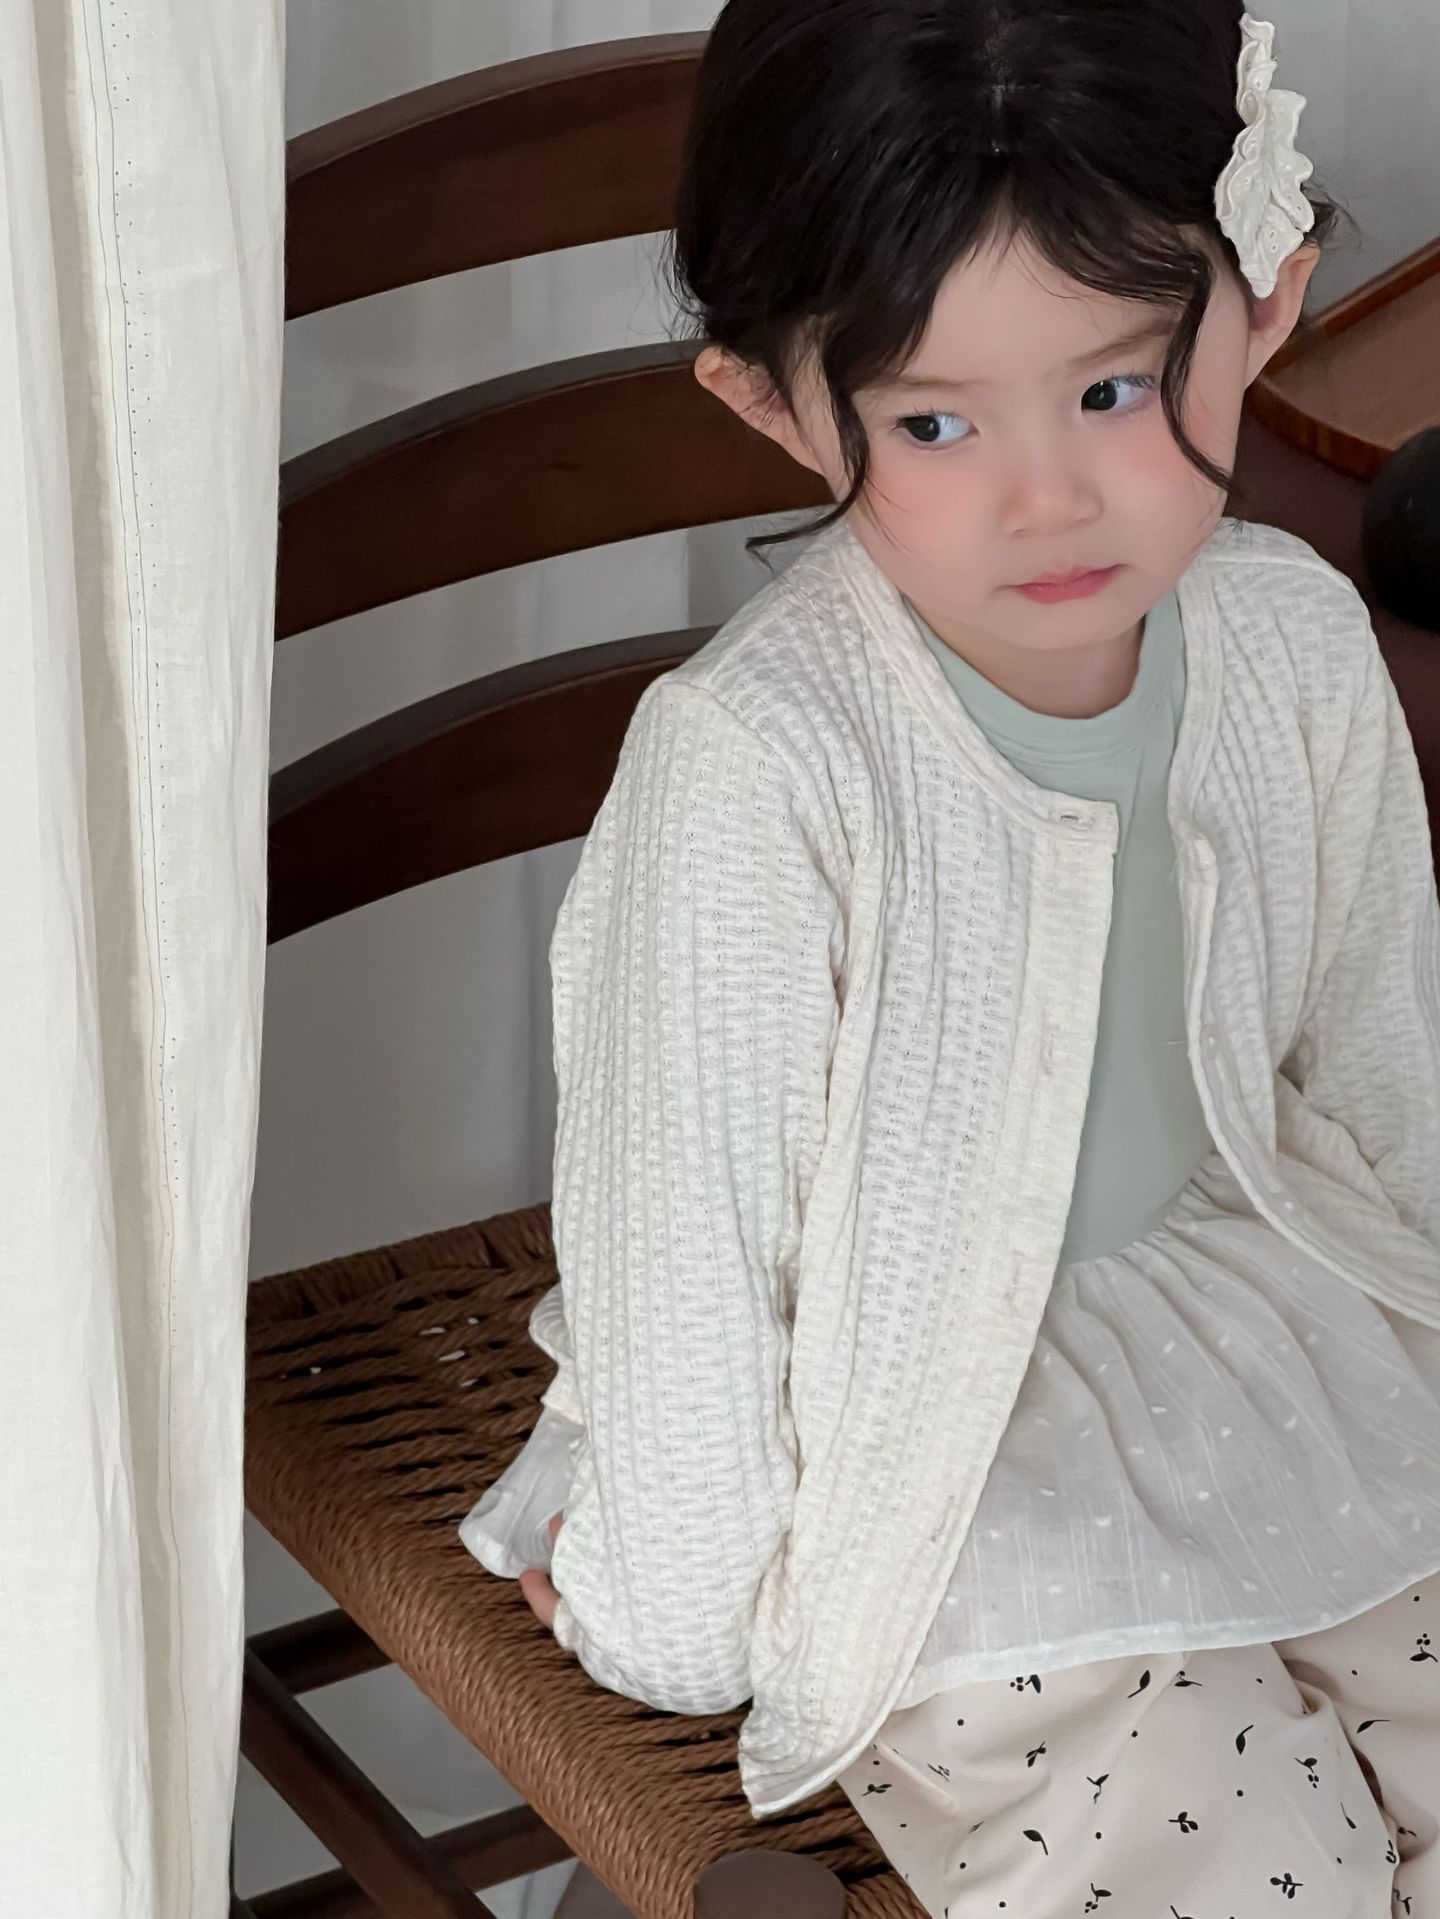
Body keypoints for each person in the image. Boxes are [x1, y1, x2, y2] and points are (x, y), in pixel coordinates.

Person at [461, 3, 1440, 1908]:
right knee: (1229, 1846)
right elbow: (688, 1244)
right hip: (916, 1424)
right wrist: (673, 1613)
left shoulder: (1292, 640)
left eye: (1116, 388)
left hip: (1258, 1311)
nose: (1048, 495)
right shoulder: (759, 768)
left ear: (1268, 302)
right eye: (932, 423)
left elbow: (1384, 1060)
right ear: (774, 405)